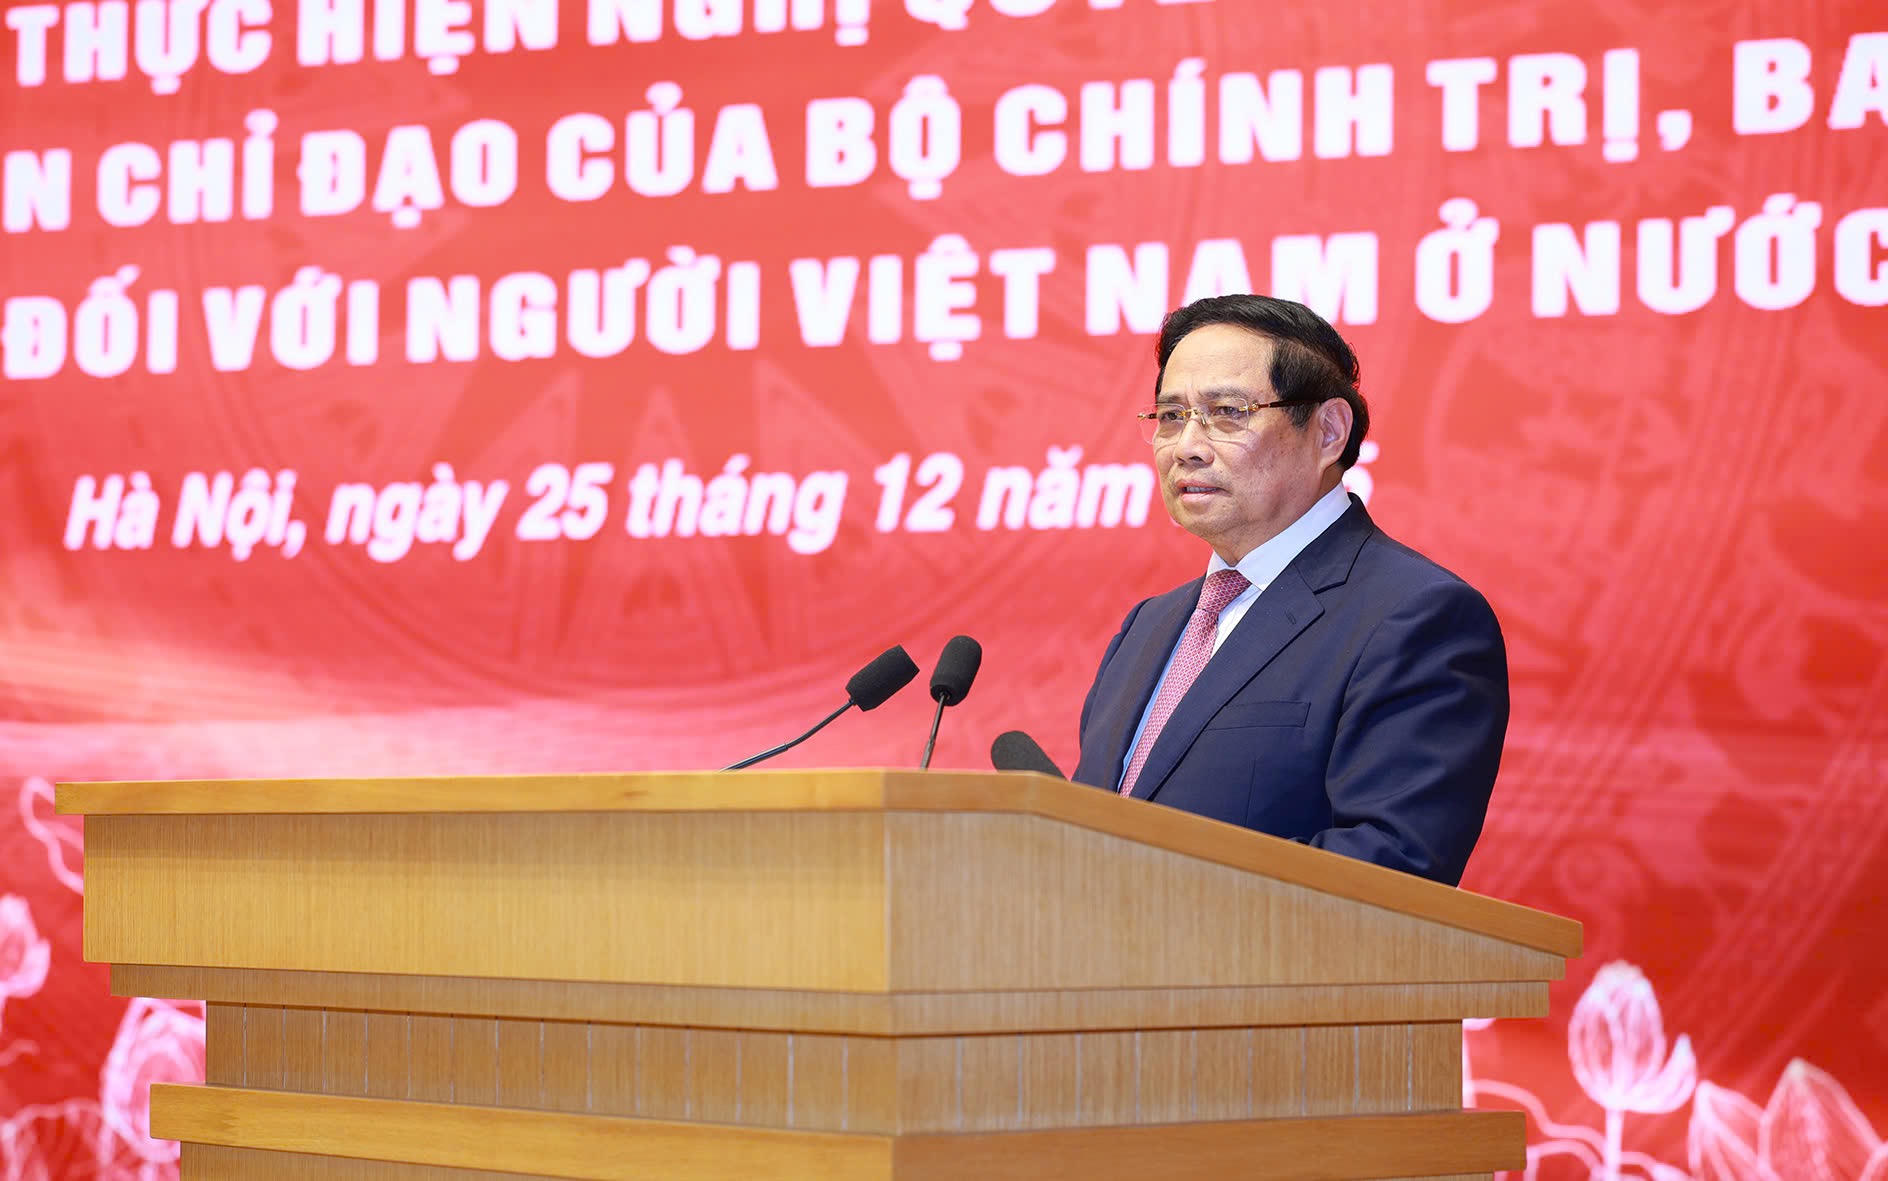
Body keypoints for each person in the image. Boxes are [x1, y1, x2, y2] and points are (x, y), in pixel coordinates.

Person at [1071, 294, 1507, 886]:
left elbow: (1392, 865)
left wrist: (1156, 897)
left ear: (1328, 432)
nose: (1187, 446)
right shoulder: (1148, 626)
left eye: (1227, 412)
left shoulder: (1417, 618)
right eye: (1171, 416)